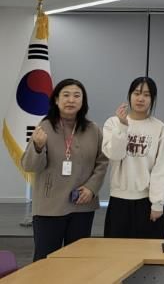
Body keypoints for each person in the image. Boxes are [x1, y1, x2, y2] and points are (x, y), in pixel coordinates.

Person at [21, 79, 108, 260]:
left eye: (77, 96)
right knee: (45, 260)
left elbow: (102, 161)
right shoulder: (44, 127)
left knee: (76, 260)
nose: (71, 100)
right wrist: (37, 147)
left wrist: (91, 188)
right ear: (56, 100)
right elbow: (29, 166)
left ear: (83, 101)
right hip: (49, 207)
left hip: (82, 205)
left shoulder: (93, 130)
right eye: (66, 95)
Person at [102, 76, 164, 239]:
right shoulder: (113, 123)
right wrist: (123, 126)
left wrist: (158, 203)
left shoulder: (159, 127)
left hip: (147, 201)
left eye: (146, 95)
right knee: (116, 250)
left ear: (152, 99)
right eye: (137, 93)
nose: (141, 98)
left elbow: (161, 168)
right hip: (119, 198)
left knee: (147, 250)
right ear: (129, 95)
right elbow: (115, 154)